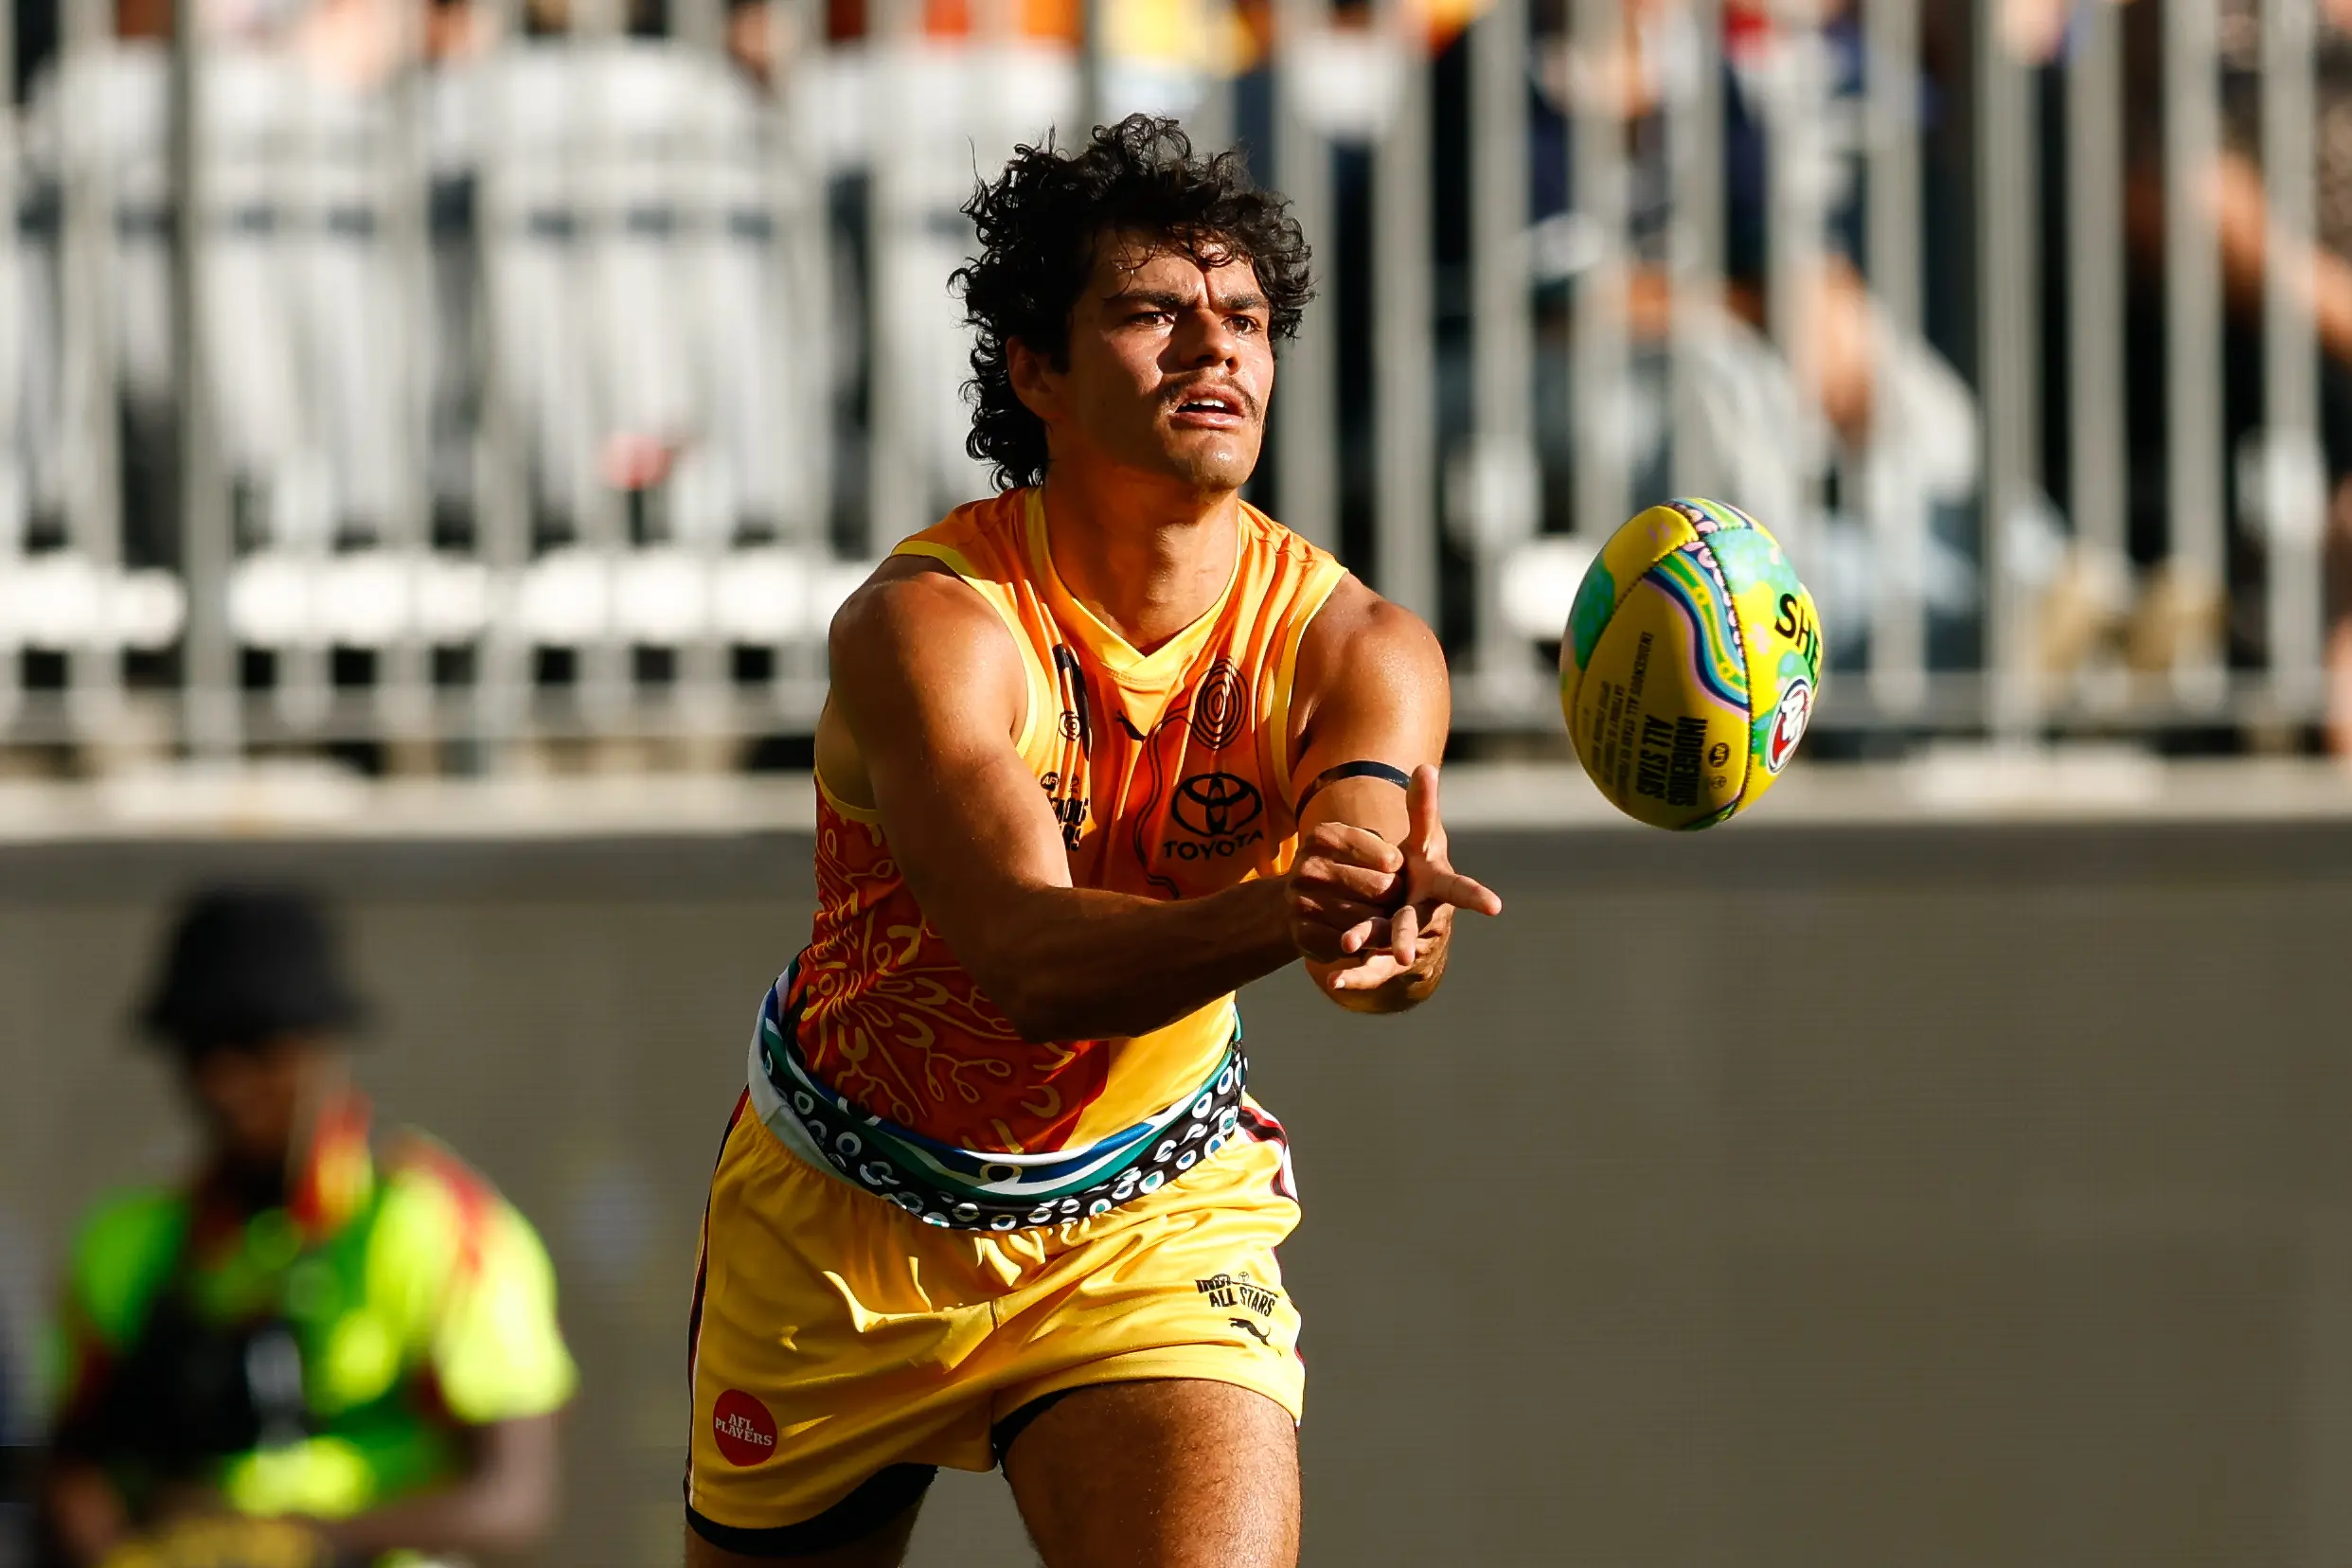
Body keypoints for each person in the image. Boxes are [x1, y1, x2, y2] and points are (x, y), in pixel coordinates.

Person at [682, 115, 1504, 1568]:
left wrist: (1387, 931)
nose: (1217, 351)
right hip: (838, 1231)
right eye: (1154, 313)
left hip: (1147, 1218)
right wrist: (1296, 918)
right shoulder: (930, 624)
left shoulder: (1362, 645)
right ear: (1038, 372)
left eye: (1246, 319)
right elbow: (1029, 961)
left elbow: (1369, 903)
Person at [39, 886, 578, 1568]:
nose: (225, 1084)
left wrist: (300, 1543)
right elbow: (66, 1469)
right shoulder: (126, 1244)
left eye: (257, 1046)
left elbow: (515, 1499)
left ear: (324, 1046)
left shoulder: (434, 1224)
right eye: (201, 1050)